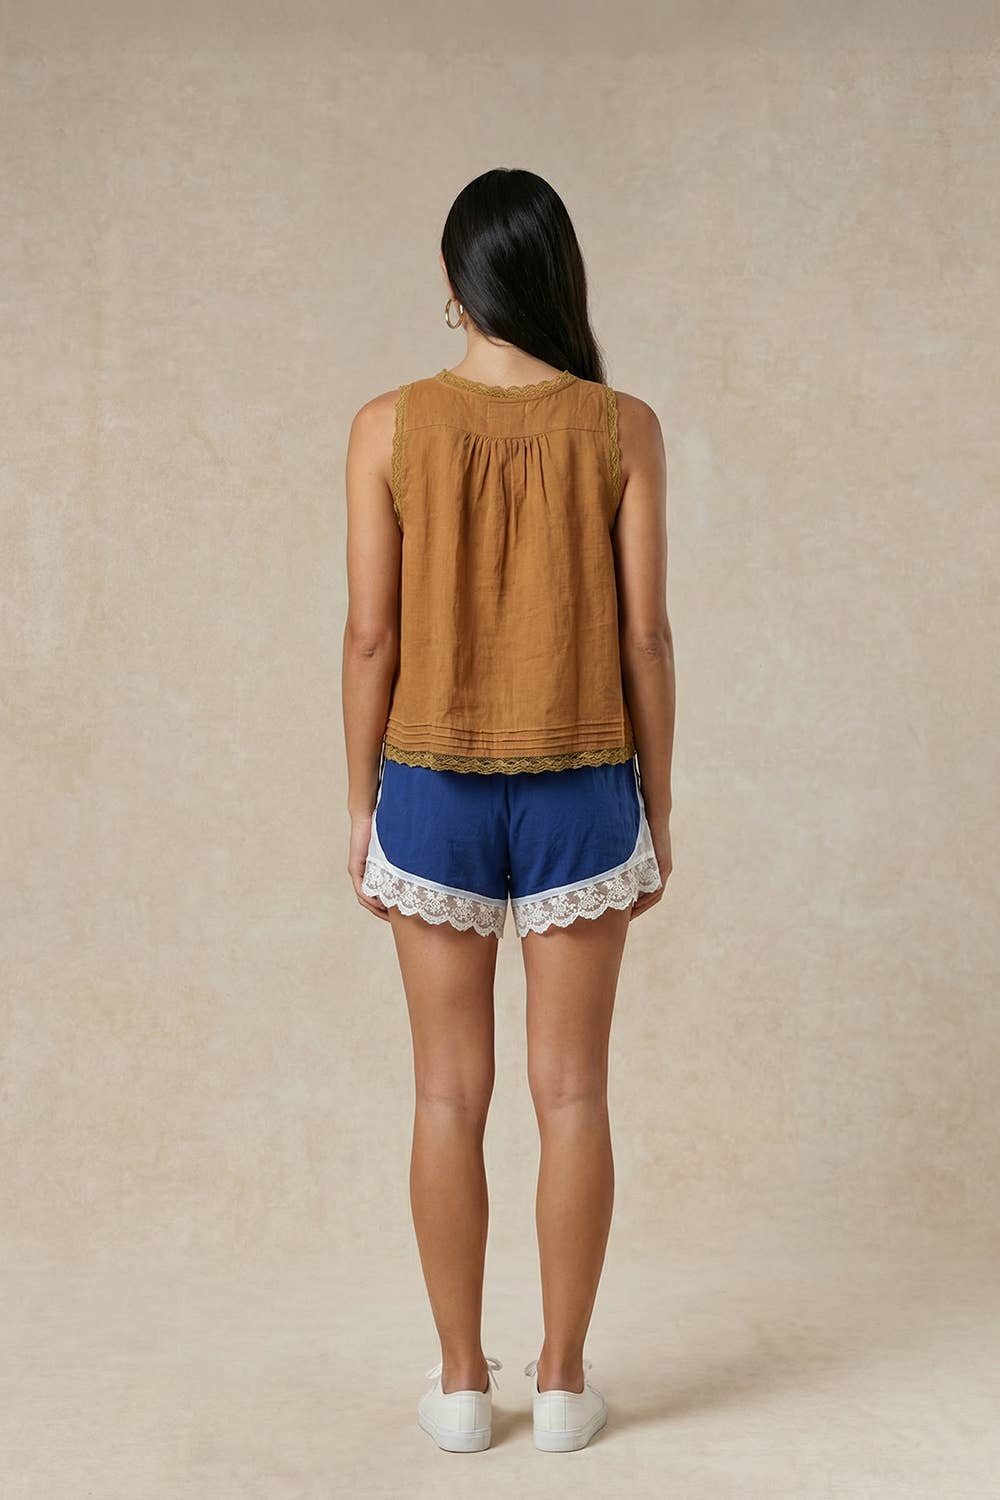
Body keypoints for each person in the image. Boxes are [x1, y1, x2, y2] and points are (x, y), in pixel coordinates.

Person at [342, 167, 675, 1454]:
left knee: (445, 1095)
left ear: (453, 280)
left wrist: (359, 803)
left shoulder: (386, 427)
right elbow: (644, 637)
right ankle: (566, 1385)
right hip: (584, 785)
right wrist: (658, 801)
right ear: (555, 273)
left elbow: (371, 639)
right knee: (573, 1095)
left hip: (428, 784)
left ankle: (460, 1387)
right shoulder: (620, 426)